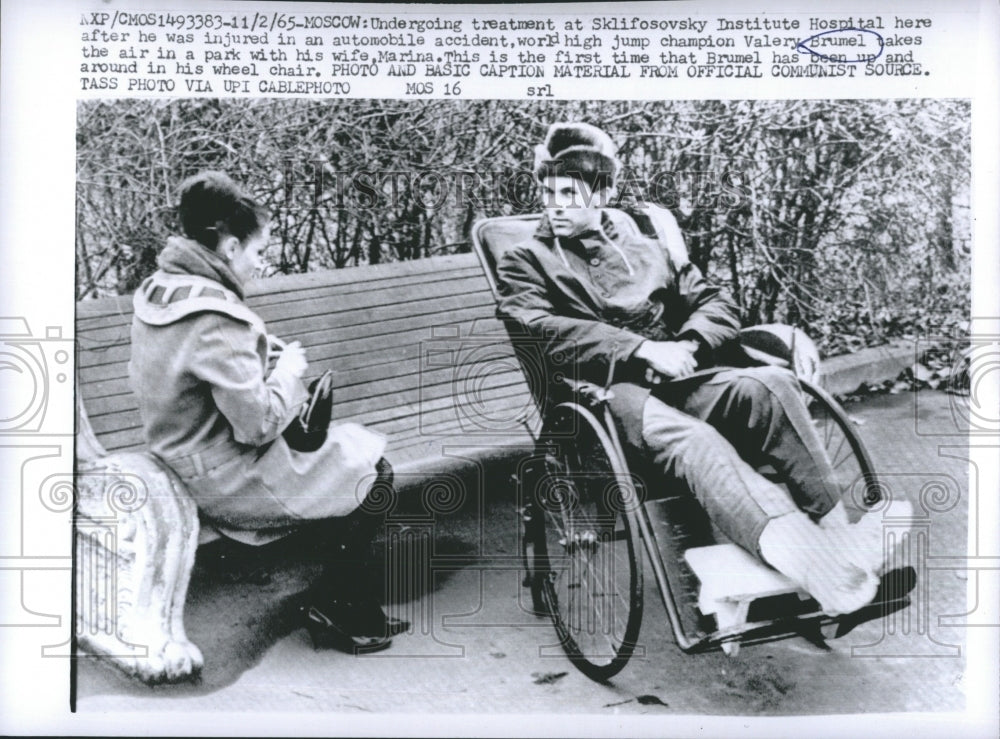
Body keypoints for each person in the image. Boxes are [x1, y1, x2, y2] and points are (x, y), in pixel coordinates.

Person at [495, 122, 911, 616]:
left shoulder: (643, 246)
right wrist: (639, 349)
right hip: (609, 399)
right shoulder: (526, 260)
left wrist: (690, 341)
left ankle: (842, 543)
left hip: (679, 378)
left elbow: (714, 301)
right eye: (548, 192)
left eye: (570, 193)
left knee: (773, 385)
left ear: (603, 194)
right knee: (700, 443)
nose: (555, 205)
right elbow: (537, 328)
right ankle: (823, 572)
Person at [128, 171, 407, 653]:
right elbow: (255, 426)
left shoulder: (162, 289)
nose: (260, 263)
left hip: (179, 454)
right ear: (231, 248)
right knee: (374, 473)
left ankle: (340, 602)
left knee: (345, 460)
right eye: (258, 251)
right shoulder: (216, 316)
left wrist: (256, 355)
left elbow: (191, 374)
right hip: (224, 474)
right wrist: (288, 372)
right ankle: (339, 608)